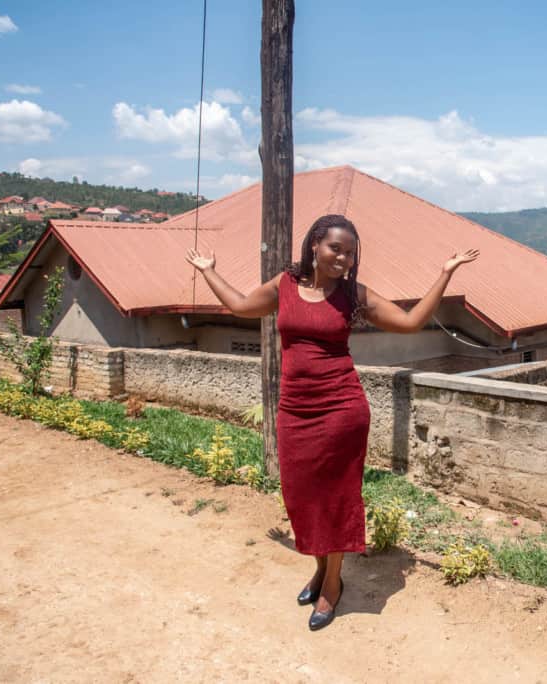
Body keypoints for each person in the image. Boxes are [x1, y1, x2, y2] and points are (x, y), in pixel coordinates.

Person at [185, 214, 478, 631]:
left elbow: (411, 323)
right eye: (335, 248)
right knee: (303, 496)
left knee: (336, 497)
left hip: (341, 410)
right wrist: (209, 272)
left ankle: (332, 585)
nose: (343, 258)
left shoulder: (353, 295)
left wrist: (444, 274)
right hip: (294, 410)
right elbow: (240, 306)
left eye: (350, 252)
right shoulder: (284, 286)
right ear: (315, 246)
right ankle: (321, 570)